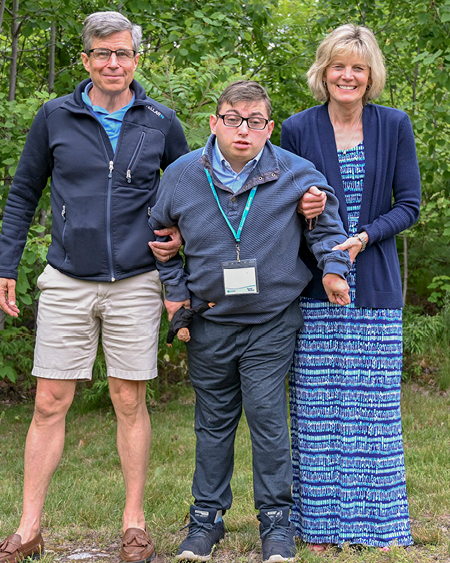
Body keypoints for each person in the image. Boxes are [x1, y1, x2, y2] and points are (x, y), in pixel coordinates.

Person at [0, 11, 189, 563]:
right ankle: (28, 531)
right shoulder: (54, 116)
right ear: (86, 60)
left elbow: (190, 197)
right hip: (66, 278)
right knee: (50, 401)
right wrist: (7, 264)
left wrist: (180, 256)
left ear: (136, 59)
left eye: (123, 53)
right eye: (103, 54)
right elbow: (23, 193)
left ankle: (134, 525)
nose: (113, 63)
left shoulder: (161, 120)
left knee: (129, 398)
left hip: (136, 280)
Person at [149, 80, 355, 563]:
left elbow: (329, 230)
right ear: (215, 122)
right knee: (213, 422)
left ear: (268, 125)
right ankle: (205, 522)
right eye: (233, 119)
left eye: (255, 121)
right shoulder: (181, 175)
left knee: (267, 418)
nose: (244, 130)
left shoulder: (297, 173)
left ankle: (276, 527)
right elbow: (160, 242)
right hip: (210, 321)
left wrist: (333, 271)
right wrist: (177, 301)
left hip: (270, 321)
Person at [280, 24, 421, 551]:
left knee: (372, 411)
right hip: (314, 287)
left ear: (370, 75)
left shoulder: (394, 125)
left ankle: (377, 527)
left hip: (376, 283)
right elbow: (275, 206)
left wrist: (363, 238)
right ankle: (317, 529)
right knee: (316, 413)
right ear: (324, 72)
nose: (347, 75)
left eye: (358, 67)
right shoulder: (295, 129)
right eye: (338, 65)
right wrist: (301, 209)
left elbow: (408, 205)